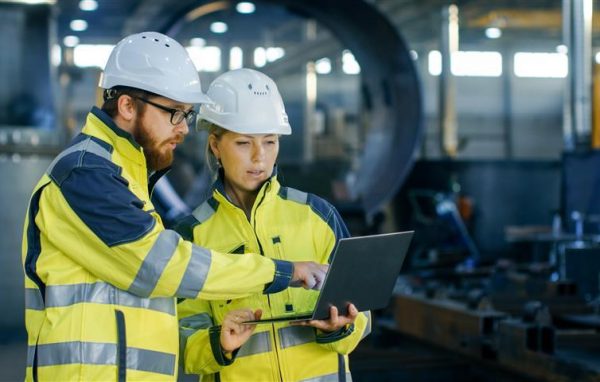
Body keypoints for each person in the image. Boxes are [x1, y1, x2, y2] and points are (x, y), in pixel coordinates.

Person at [21, 32, 327, 382]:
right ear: (127, 106)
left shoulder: (124, 174)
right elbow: (162, 266)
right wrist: (280, 272)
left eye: (186, 114)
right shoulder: (85, 174)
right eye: (174, 113)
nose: (183, 128)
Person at [176, 68, 371, 382]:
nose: (259, 158)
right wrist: (220, 344)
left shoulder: (318, 216)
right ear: (215, 145)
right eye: (243, 143)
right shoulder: (191, 236)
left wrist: (343, 326)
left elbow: (362, 312)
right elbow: (182, 342)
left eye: (269, 142)